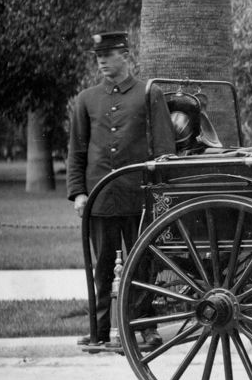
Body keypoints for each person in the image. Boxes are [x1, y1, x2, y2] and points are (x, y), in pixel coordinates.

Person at [67, 30, 175, 351]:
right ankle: (100, 329)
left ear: (125, 56)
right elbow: (78, 152)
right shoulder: (87, 99)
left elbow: (164, 149)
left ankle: (145, 327)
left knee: (141, 264)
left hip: (138, 196)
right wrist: (79, 193)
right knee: (101, 264)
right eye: (99, 56)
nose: (102, 60)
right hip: (99, 195)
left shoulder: (148, 94)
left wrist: (159, 194)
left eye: (109, 54)